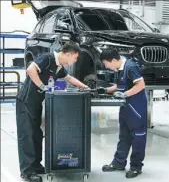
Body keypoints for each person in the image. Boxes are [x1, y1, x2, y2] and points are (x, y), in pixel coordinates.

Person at [16, 42, 89, 181]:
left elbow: (69, 78)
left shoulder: (58, 67)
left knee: (37, 134)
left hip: (36, 103)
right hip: (26, 101)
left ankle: (36, 165)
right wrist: (42, 86)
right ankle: (27, 172)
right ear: (69, 54)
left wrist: (86, 87)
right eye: (75, 58)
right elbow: (31, 69)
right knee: (27, 135)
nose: (75, 61)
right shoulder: (47, 58)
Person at [97, 49, 147, 178]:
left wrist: (124, 94)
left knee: (138, 137)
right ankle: (119, 163)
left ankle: (136, 167)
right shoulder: (119, 69)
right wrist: (105, 90)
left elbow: (141, 85)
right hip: (125, 107)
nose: (106, 66)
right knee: (124, 136)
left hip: (136, 107)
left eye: (106, 64)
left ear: (113, 60)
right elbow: (120, 86)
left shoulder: (131, 67)